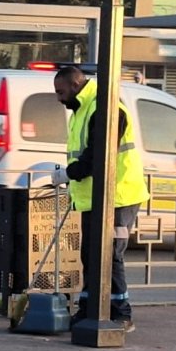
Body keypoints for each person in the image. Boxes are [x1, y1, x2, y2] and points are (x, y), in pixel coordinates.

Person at [50, 65, 149, 333]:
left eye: (61, 92)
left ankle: (121, 313)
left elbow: (97, 156)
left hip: (118, 196)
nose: (59, 98)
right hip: (96, 197)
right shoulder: (85, 108)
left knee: (109, 255)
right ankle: (89, 310)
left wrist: (68, 174)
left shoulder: (105, 109)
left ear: (74, 85)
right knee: (91, 255)